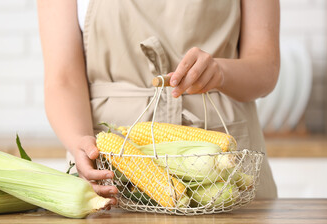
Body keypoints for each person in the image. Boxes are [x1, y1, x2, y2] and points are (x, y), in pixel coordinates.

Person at [37, 0, 280, 205]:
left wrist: (221, 72)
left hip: (225, 167)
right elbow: (63, 78)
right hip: (112, 166)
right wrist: (79, 140)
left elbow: (265, 67)